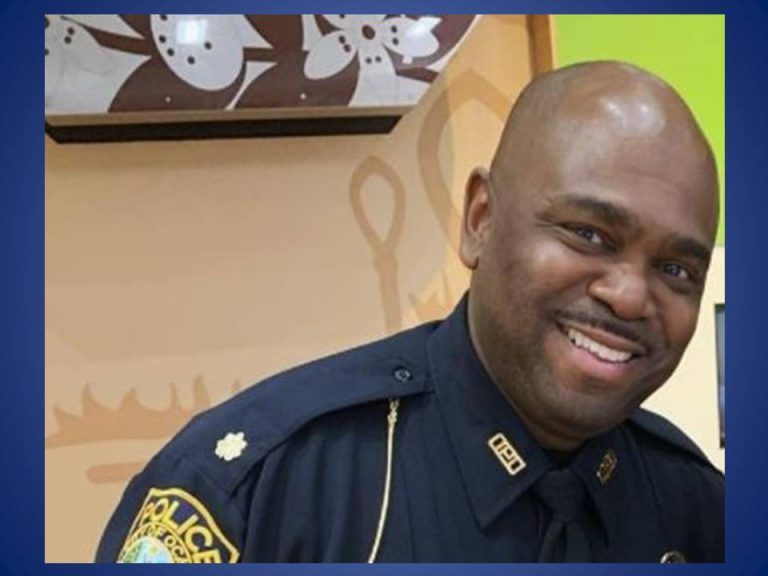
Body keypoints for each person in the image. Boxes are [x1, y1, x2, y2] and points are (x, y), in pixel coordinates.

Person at [95, 61, 723, 563]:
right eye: (588, 234)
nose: (629, 296)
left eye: (676, 270)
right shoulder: (260, 492)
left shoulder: (701, 513)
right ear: (481, 220)